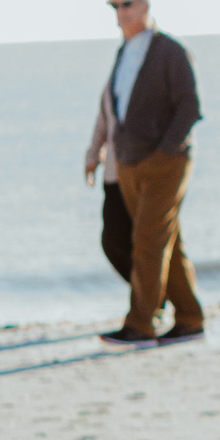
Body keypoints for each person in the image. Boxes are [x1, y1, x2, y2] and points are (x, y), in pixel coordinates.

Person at [95, 0, 206, 347]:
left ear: (145, 7)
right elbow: (113, 110)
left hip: (164, 163)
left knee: (145, 242)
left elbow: (189, 106)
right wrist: (100, 150)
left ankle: (140, 325)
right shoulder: (123, 52)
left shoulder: (170, 51)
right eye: (116, 6)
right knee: (165, 241)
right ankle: (189, 319)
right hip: (129, 164)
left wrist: (164, 151)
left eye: (128, 4)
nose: (121, 11)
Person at [83, 74, 133, 286]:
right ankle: (150, 295)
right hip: (113, 174)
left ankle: (152, 300)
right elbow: (104, 117)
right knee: (112, 242)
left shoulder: (151, 65)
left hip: (140, 171)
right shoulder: (119, 70)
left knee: (148, 242)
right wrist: (93, 154)